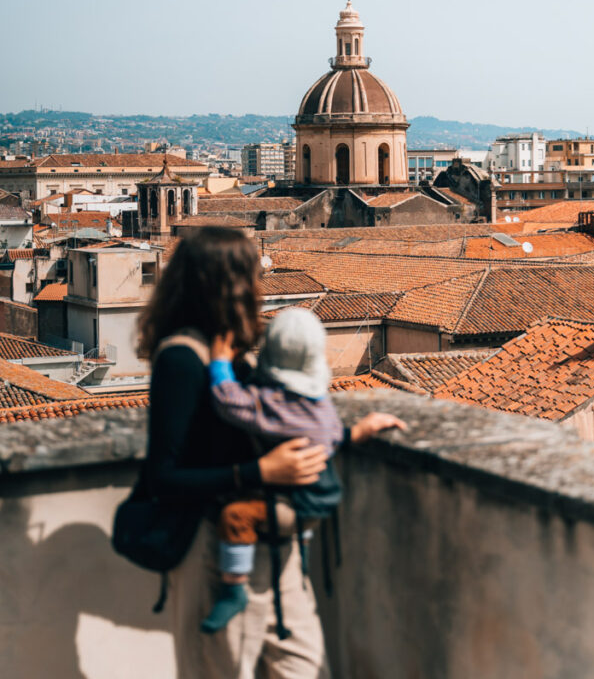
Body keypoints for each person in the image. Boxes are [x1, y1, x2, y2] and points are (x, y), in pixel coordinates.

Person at [139, 226, 406, 679]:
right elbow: (163, 478)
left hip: (279, 555)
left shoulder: (236, 356)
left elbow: (279, 422)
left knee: (304, 669)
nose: (259, 287)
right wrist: (258, 471)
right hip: (216, 555)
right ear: (223, 284)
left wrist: (347, 434)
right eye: (250, 275)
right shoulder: (181, 361)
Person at [202, 306, 344, 635]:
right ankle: (304, 554)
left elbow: (228, 400)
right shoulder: (323, 407)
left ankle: (234, 588)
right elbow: (335, 436)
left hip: (291, 508)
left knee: (235, 516)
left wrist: (220, 362)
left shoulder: (275, 407)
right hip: (318, 503)